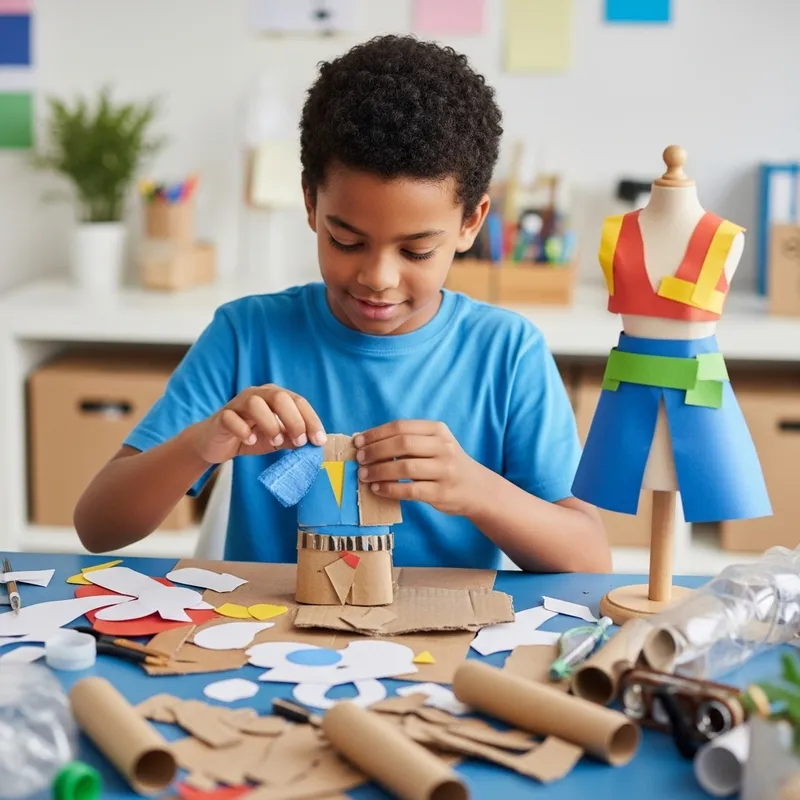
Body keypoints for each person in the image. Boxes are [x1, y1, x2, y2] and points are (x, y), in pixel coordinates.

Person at [74, 35, 610, 573]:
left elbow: (590, 561)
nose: (378, 278)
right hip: (270, 642)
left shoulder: (507, 354)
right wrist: (201, 444)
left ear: (471, 222)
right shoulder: (247, 334)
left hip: (443, 645)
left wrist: (476, 490)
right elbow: (97, 526)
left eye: (417, 250)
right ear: (310, 202)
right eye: (346, 241)